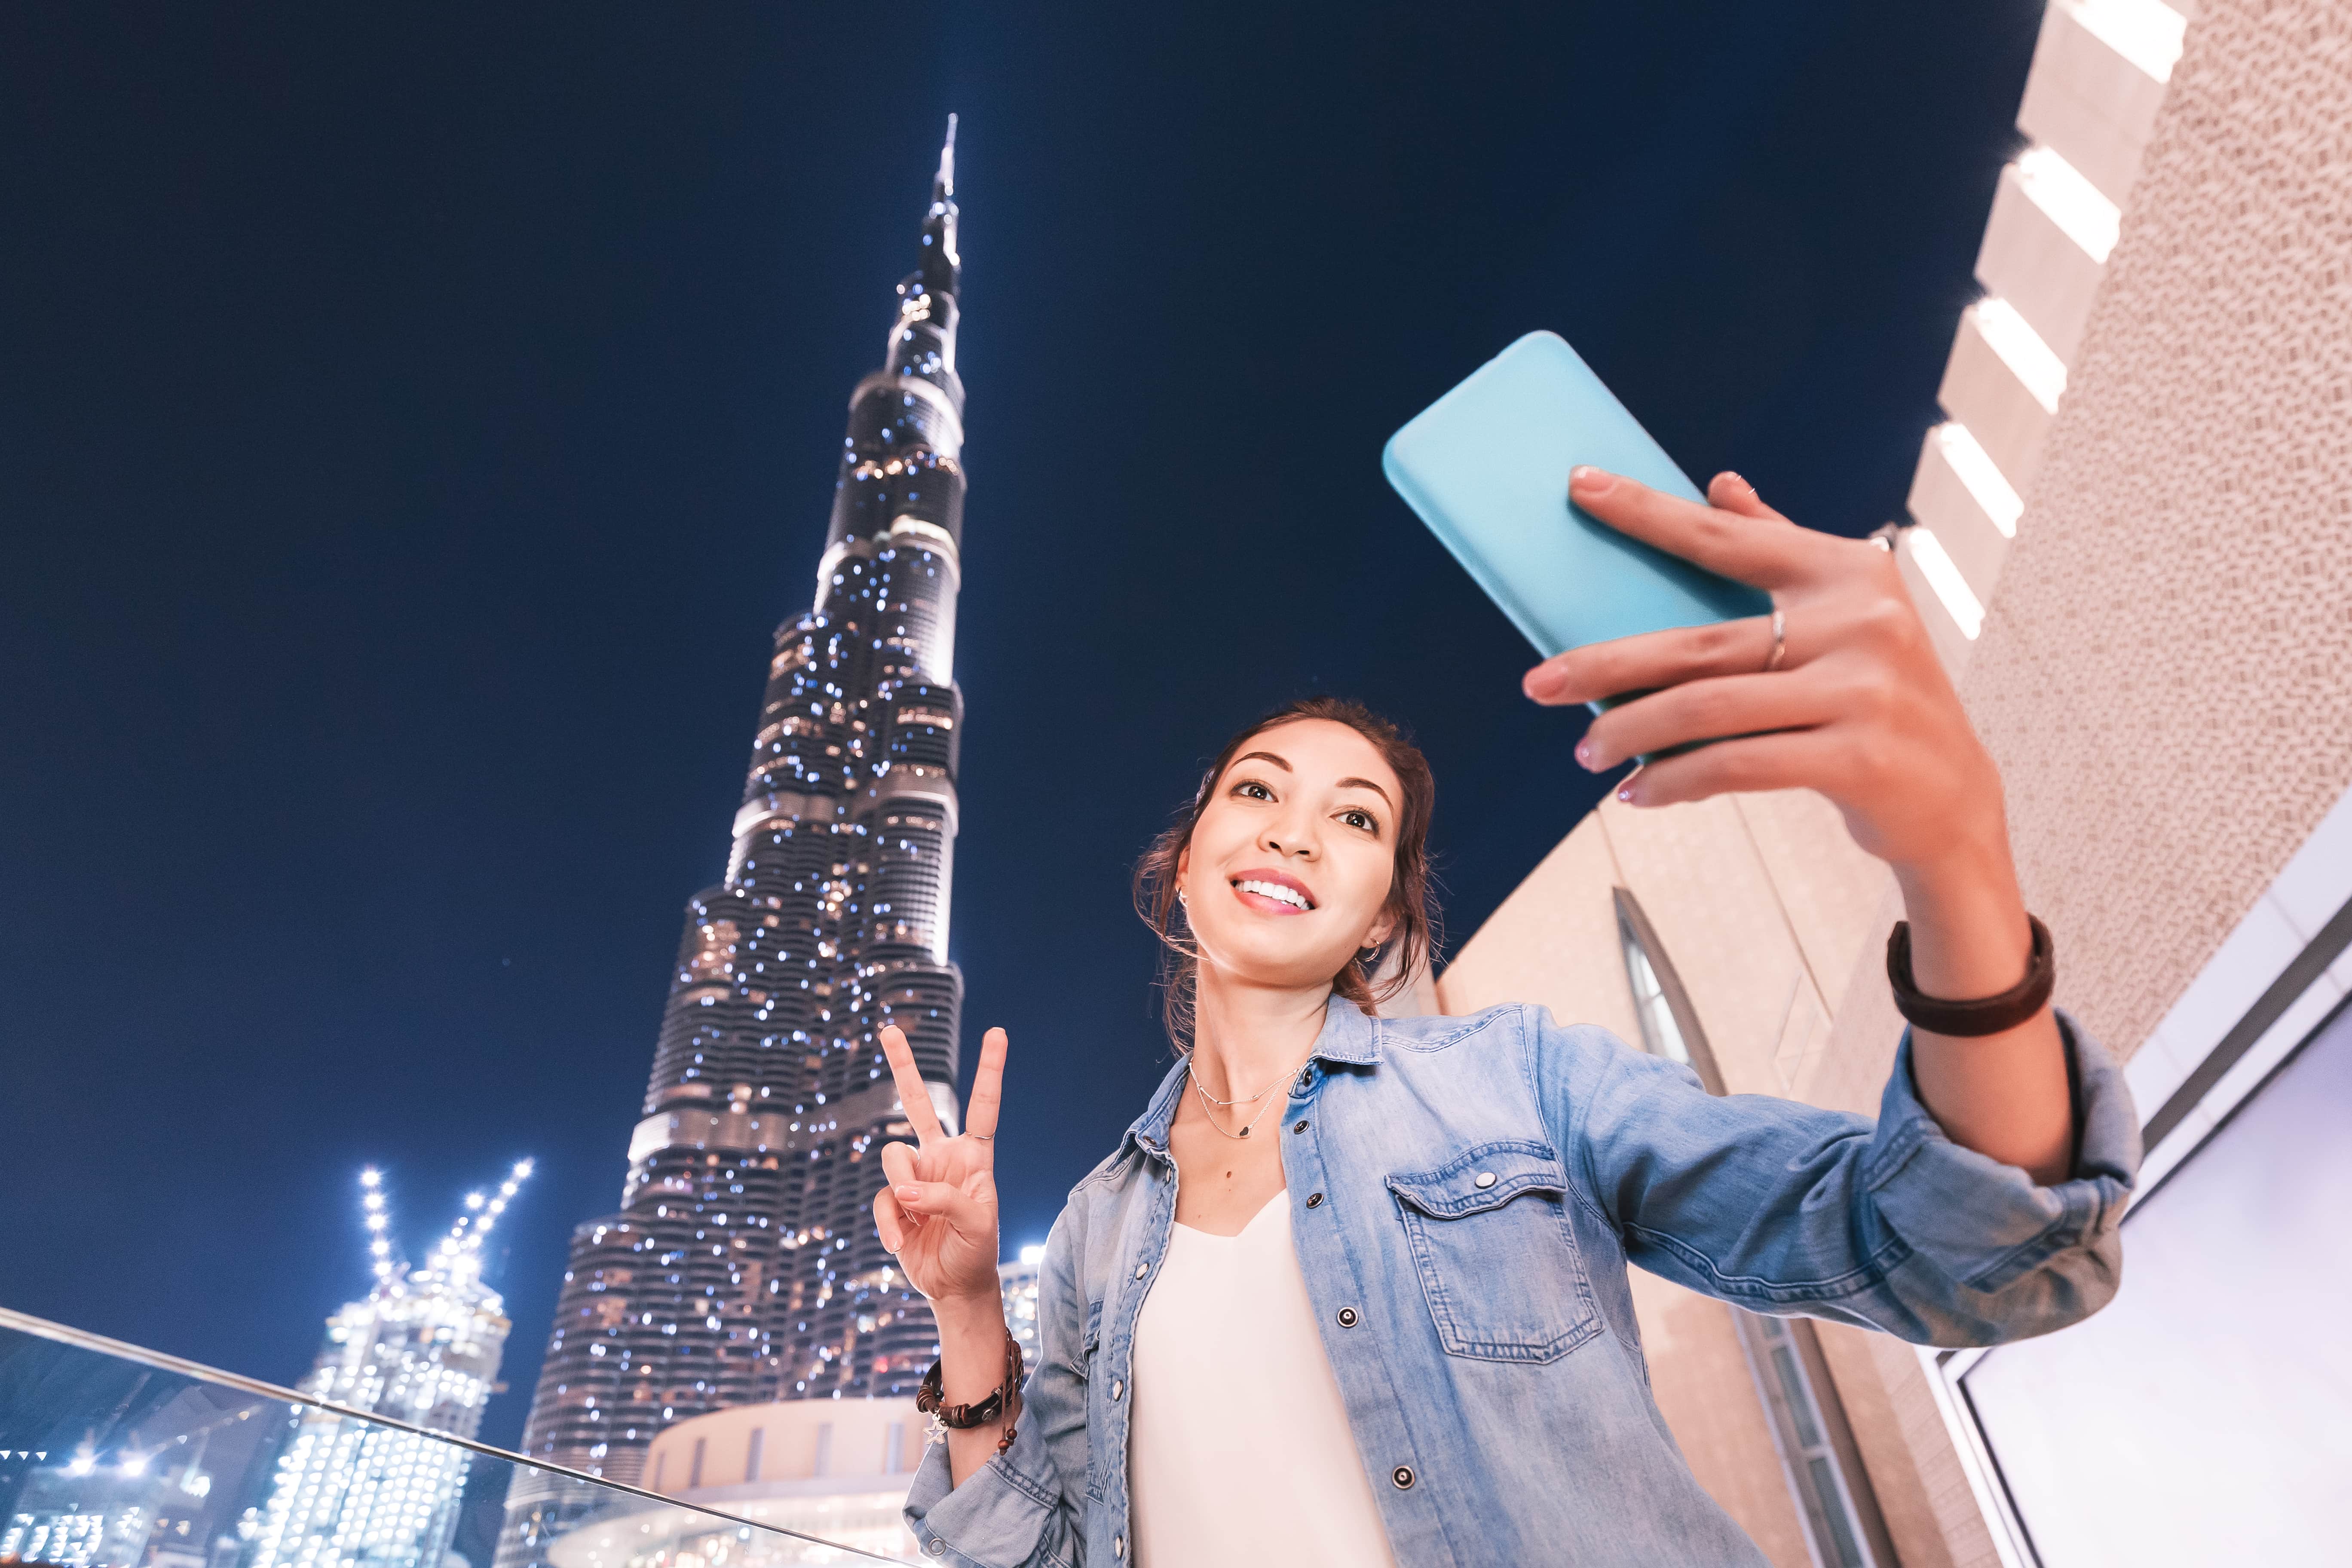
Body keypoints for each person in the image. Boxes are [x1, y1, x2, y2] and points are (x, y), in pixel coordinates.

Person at [877, 467, 2139, 1566]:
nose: (1295, 827)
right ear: (1189, 860)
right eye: (1257, 790)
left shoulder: (1522, 1082)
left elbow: (1950, 1252)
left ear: (1381, 917)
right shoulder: (1100, 1226)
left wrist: (1958, 861)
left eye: (1356, 818)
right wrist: (972, 1309)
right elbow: (1031, 1557)